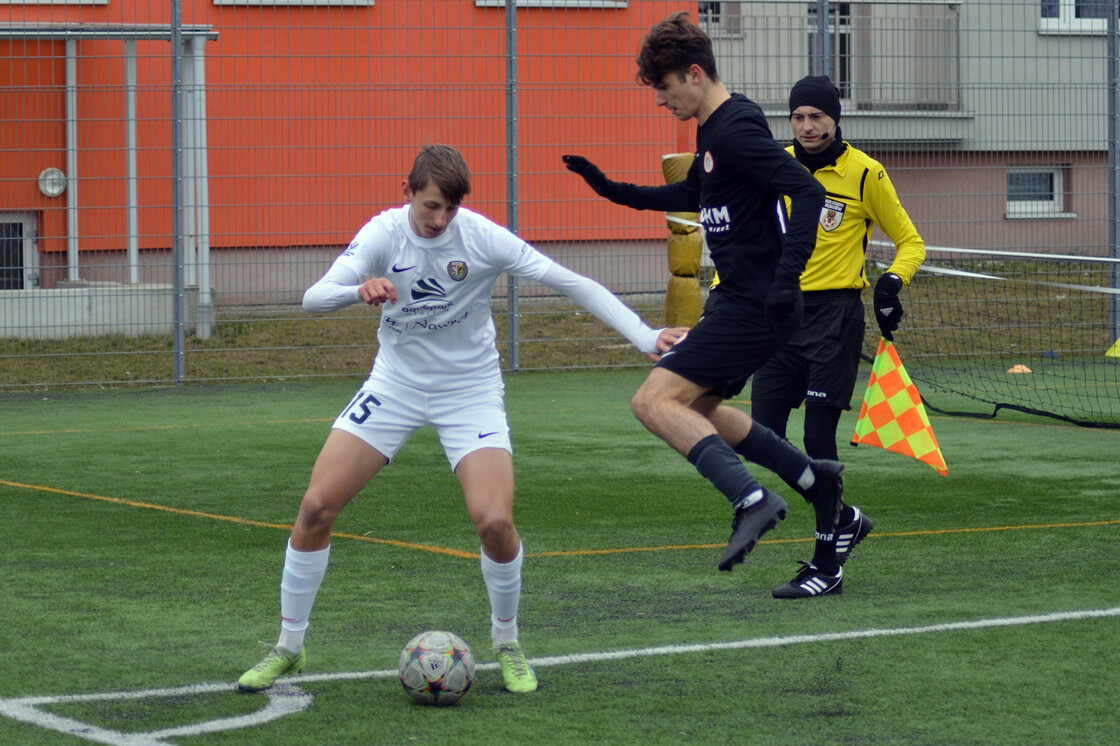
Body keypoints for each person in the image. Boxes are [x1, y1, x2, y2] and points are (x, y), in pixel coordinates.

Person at [237, 144, 685, 694]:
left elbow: (569, 281)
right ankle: (288, 648)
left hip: (469, 392)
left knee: (495, 522)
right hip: (394, 386)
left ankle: (507, 642)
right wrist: (359, 290)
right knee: (315, 507)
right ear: (407, 193)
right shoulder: (384, 233)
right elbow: (312, 298)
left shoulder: (480, 236)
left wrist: (645, 335)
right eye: (430, 207)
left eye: (449, 209)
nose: (439, 219)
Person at [561, 12, 846, 594]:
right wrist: (613, 190)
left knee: (652, 402)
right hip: (736, 302)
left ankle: (751, 498)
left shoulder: (736, 129)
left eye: (665, 90)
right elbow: (697, 192)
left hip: (754, 306)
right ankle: (821, 489)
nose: (662, 103)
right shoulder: (714, 130)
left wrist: (787, 280)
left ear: (694, 73)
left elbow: (808, 191)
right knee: (700, 408)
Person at [745, 75, 925, 597]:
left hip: (835, 318)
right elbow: (750, 242)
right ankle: (844, 517)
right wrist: (724, 290)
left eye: (816, 117)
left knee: (817, 441)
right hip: (779, 318)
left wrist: (892, 280)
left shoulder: (866, 173)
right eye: (799, 117)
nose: (807, 126)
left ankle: (828, 566)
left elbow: (911, 242)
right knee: (763, 438)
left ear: (834, 118)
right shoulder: (771, 166)